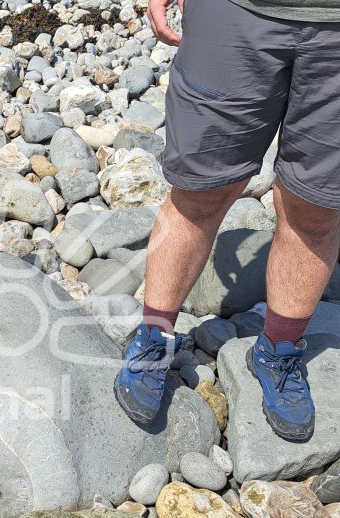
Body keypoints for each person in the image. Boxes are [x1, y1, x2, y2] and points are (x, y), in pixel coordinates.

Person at [115, 0, 340, 442]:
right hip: (236, 11)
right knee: (199, 194)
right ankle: (154, 337)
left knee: (318, 208)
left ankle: (277, 349)